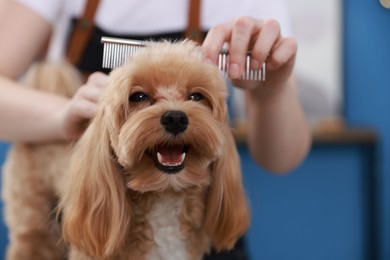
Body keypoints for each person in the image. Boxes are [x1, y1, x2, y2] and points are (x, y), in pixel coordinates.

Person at [0, 0, 311, 258]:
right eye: (139, 98)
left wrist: (271, 90)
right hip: (101, 228)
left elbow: (281, 159)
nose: (174, 114)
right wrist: (62, 115)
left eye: (195, 97)